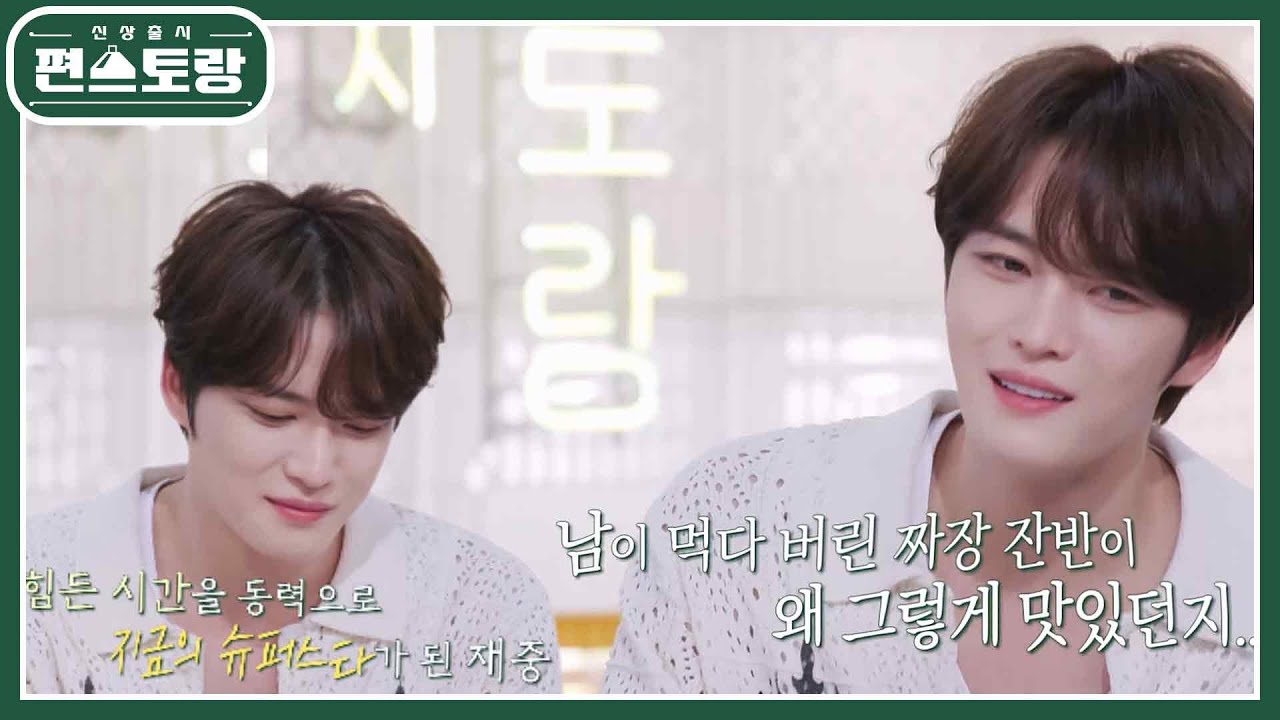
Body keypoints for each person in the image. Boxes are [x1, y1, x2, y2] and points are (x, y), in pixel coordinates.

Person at [602, 43, 1254, 694]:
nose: (1038, 335)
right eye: (1007, 264)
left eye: (1113, 294)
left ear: (1205, 344)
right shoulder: (737, 529)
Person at [26, 182, 561, 694]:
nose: (315, 469)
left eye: (360, 426)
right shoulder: (35, 596)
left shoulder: (479, 610)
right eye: (274, 416)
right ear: (176, 386)